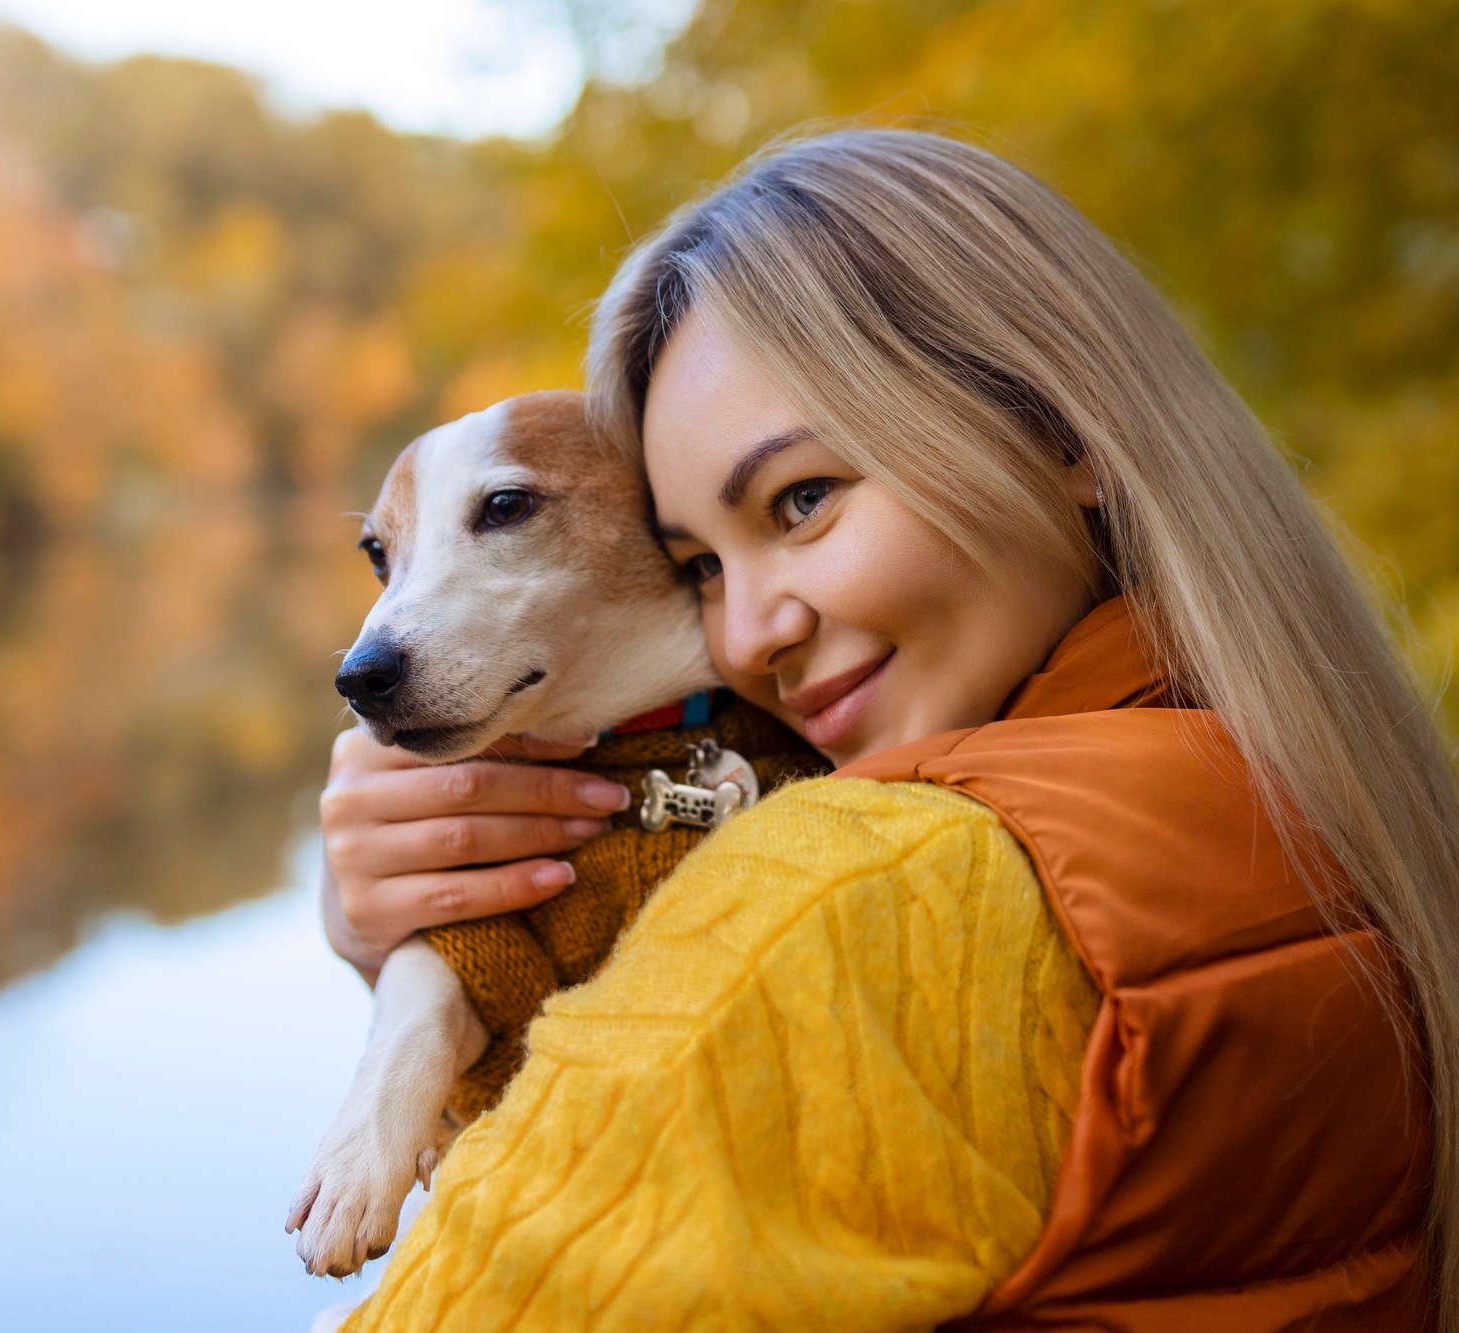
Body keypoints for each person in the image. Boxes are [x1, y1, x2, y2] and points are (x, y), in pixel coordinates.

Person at [316, 130, 1459, 1330]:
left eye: (802, 500)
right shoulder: (1312, 780)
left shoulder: (854, 893)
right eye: (698, 562)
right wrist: (421, 955)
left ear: (1059, 429)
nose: (750, 632)